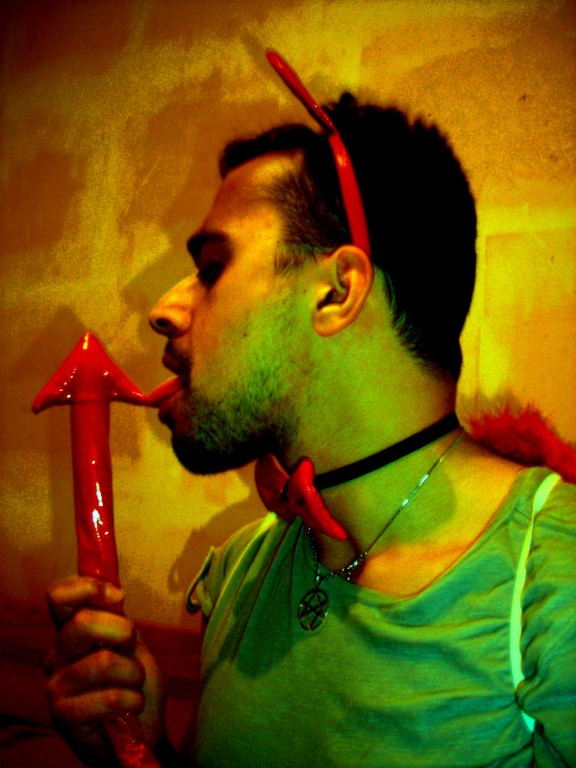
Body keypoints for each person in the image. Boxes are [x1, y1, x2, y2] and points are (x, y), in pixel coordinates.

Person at [44, 61, 576, 767]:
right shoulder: (241, 571)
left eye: (212, 268)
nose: (163, 310)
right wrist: (142, 750)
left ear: (337, 291)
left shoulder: (554, 584)